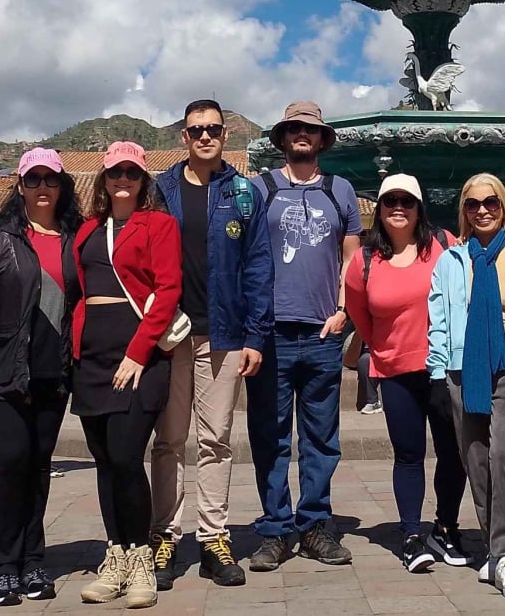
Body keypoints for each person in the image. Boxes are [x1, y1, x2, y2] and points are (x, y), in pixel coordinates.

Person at [150, 101, 274, 590]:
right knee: (168, 439)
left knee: (216, 440)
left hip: (223, 334)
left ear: (225, 135)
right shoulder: (161, 190)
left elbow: (259, 266)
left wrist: (256, 336)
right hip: (170, 334)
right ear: (184, 136)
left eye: (213, 129)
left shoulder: (243, 192)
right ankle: (164, 535)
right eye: (196, 129)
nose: (205, 136)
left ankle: (213, 538)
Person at [0, 148, 81, 605]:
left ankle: (33, 561)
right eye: (34, 180)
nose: (42, 187)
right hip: (9, 370)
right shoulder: (0, 237)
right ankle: (3, 565)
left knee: (40, 465)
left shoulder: (74, 236)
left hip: (55, 370)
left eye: (51, 179)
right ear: (20, 186)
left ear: (62, 185)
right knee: (13, 462)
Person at [246, 102, 362, 570]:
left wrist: (343, 311)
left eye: (309, 129)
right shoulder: (260, 188)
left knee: (321, 437)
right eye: (294, 128)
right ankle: (275, 529)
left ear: (321, 139)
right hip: (270, 333)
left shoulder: (340, 190)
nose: (301, 135)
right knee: (269, 436)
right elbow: (244, 256)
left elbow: (352, 260)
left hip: (321, 333)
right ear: (282, 137)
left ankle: (315, 524)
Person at [429, 174, 505, 600]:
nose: (482, 210)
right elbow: (438, 320)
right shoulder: (451, 261)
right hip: (464, 364)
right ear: (463, 211)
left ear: (503, 206)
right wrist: (438, 373)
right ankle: (493, 548)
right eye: (473, 204)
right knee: (476, 458)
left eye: (491, 203)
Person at [73, 141, 181, 609]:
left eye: (132, 173)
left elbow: (168, 289)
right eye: (115, 172)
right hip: (91, 356)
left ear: (143, 180)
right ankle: (115, 555)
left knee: (125, 456)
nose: (123, 180)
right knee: (104, 460)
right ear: (103, 178)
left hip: (137, 355)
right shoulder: (87, 229)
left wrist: (138, 354)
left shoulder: (159, 224)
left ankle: (141, 561)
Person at [343, 173, 467, 572]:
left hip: (444, 368)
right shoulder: (364, 261)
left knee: (452, 452)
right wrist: (383, 350)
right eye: (390, 201)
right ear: (379, 209)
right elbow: (360, 315)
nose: (399, 207)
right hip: (396, 371)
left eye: (407, 201)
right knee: (409, 454)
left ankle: (446, 528)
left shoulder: (444, 245)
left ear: (419, 208)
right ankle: (412, 535)